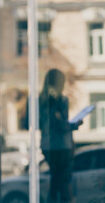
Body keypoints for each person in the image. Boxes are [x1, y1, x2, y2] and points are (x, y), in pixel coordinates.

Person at [38, 69, 82, 203]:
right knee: (61, 180)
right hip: (60, 146)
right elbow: (59, 124)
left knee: (57, 179)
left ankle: (55, 199)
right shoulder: (58, 100)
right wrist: (74, 125)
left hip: (49, 145)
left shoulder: (42, 100)